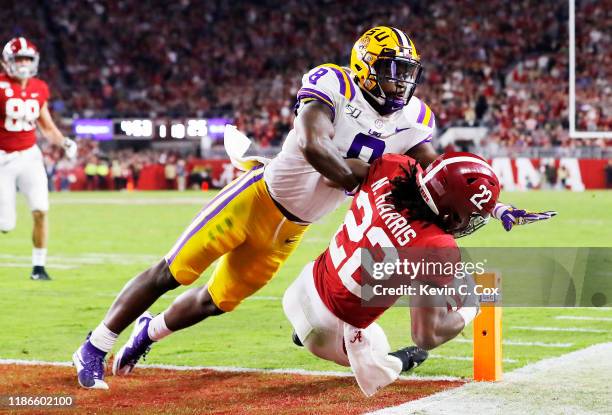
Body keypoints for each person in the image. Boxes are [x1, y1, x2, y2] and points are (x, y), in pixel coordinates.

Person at [73, 26, 552, 389]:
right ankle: (94, 346)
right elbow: (311, 144)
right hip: (257, 199)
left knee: (215, 301)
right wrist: (358, 185)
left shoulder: (414, 118)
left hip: (293, 228)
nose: (401, 80)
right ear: (365, 66)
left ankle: (147, 334)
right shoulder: (333, 85)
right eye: (392, 68)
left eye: (407, 71)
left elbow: (438, 180)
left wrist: (493, 206)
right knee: (172, 271)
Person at [283, 152, 500, 396]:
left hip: (302, 285)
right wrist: (472, 305)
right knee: (379, 347)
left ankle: (301, 328)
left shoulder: (395, 166)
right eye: (470, 216)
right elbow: (426, 335)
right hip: (328, 334)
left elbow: (333, 176)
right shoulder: (436, 246)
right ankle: (401, 361)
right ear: (450, 213)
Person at [0, 37, 77, 280]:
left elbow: (47, 126)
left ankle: (38, 268)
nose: (23, 63)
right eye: (18, 58)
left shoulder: (39, 87)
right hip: (2, 158)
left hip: (30, 156)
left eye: (27, 58)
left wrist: (64, 141)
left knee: (41, 210)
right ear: (6, 62)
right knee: (6, 225)